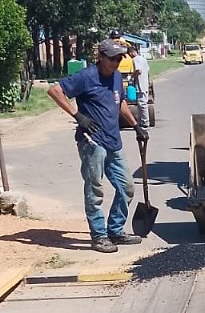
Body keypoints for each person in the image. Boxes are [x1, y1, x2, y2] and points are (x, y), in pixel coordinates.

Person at [47, 39, 150, 254]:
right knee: (95, 189)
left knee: (127, 187)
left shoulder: (116, 76)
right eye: (113, 58)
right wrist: (78, 116)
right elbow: (55, 90)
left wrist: (135, 125)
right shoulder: (86, 76)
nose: (117, 62)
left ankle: (115, 230)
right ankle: (98, 236)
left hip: (113, 141)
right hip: (92, 141)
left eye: (120, 58)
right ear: (100, 57)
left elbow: (119, 101)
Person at [128, 45, 150, 130]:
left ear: (131, 53)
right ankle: (142, 121)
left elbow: (138, 70)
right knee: (144, 103)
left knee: (142, 104)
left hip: (140, 85)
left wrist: (132, 77)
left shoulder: (135, 59)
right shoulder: (143, 58)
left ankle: (145, 122)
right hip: (145, 83)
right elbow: (147, 70)